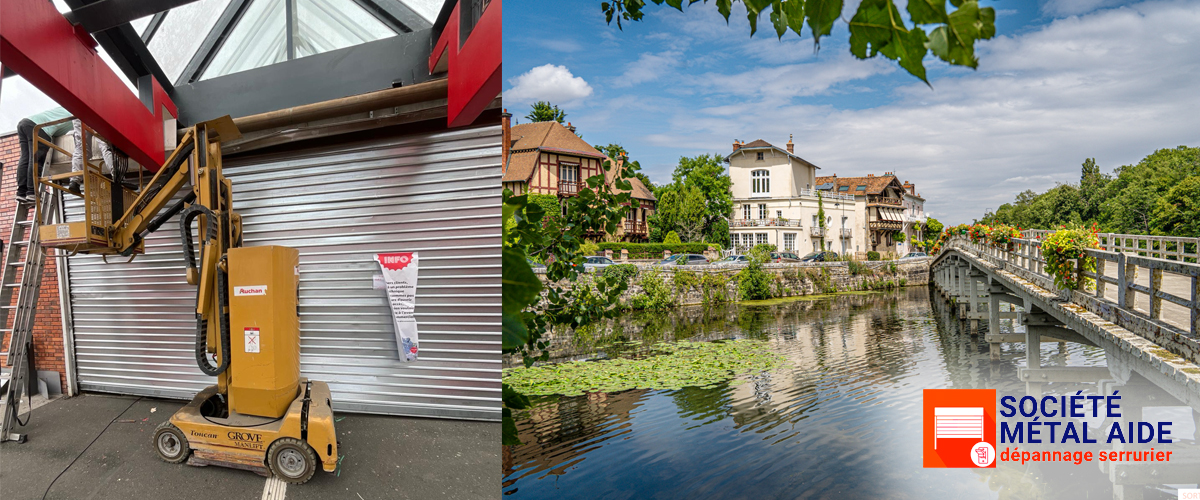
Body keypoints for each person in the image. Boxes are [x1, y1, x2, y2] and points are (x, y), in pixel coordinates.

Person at [15, 106, 72, 203]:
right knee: (36, 160)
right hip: (38, 128)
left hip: (24, 123)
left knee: (25, 158)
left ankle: (21, 193)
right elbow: (56, 134)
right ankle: (31, 192)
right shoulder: (76, 118)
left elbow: (56, 131)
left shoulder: (65, 108)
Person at [69, 118, 115, 195]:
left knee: (81, 149)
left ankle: (75, 181)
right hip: (94, 112)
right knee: (105, 146)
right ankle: (117, 176)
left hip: (78, 114)